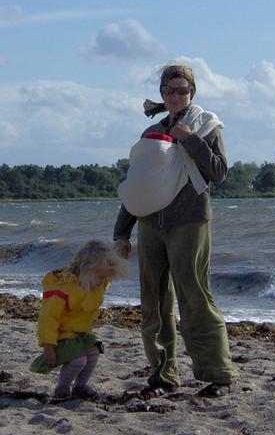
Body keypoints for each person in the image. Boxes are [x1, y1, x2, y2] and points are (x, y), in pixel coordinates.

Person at [113, 63, 236, 398]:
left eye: (183, 90)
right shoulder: (151, 132)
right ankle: (163, 376)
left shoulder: (206, 124)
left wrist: (191, 140)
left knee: (194, 294)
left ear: (192, 92)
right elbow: (138, 185)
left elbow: (219, 172)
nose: (176, 96)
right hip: (152, 222)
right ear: (162, 94)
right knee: (153, 300)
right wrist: (121, 234)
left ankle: (218, 375)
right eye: (170, 91)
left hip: (190, 219)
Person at [32, 239, 128, 401]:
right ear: (85, 270)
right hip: (60, 336)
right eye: (100, 277)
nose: (103, 282)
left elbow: (108, 273)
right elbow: (47, 318)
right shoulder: (65, 289)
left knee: (94, 353)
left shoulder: (95, 283)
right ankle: (61, 389)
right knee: (78, 360)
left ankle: (80, 386)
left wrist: (119, 252)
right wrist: (48, 347)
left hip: (80, 334)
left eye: (106, 278)